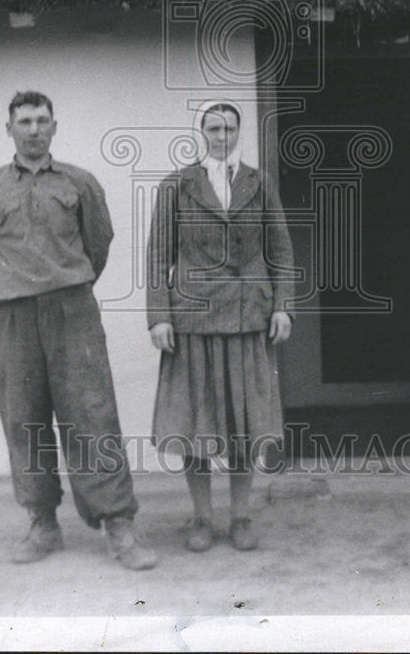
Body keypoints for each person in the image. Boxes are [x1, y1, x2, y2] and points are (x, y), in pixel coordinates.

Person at [0, 90, 157, 570]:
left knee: (92, 414)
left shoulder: (79, 182)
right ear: (9, 129)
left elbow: (99, 243)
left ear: (54, 126)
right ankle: (43, 523)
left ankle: (118, 525)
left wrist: (65, 283)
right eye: (24, 121)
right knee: (23, 419)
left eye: (42, 120)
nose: (33, 129)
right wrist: (12, 287)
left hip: (73, 312)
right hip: (11, 316)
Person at [146, 101, 294, 552]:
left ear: (238, 132)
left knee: (244, 425)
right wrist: (159, 317)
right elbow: (158, 258)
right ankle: (200, 518)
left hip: (249, 316)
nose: (222, 136)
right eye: (214, 129)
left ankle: (242, 516)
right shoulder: (177, 185)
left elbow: (281, 251)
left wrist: (283, 306)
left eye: (229, 129)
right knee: (196, 424)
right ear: (202, 133)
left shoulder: (259, 183)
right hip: (193, 319)